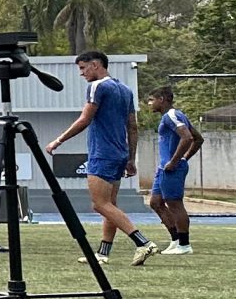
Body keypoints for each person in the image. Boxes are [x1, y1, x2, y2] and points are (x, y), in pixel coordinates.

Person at [47, 51, 158, 266]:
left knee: (99, 204)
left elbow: (84, 119)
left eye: (82, 68)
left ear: (95, 65)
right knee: (110, 205)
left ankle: (143, 242)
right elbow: (133, 127)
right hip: (119, 153)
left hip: (102, 153)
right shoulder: (125, 89)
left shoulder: (97, 87)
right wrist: (131, 158)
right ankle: (102, 253)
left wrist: (58, 141)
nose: (81, 73)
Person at [143, 85, 201, 254]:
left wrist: (176, 161)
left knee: (175, 204)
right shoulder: (171, 116)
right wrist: (182, 158)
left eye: (152, 100)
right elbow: (198, 139)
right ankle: (176, 240)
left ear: (162, 99)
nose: (149, 103)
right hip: (164, 168)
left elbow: (188, 137)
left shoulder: (172, 115)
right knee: (156, 202)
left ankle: (184, 245)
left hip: (171, 168)